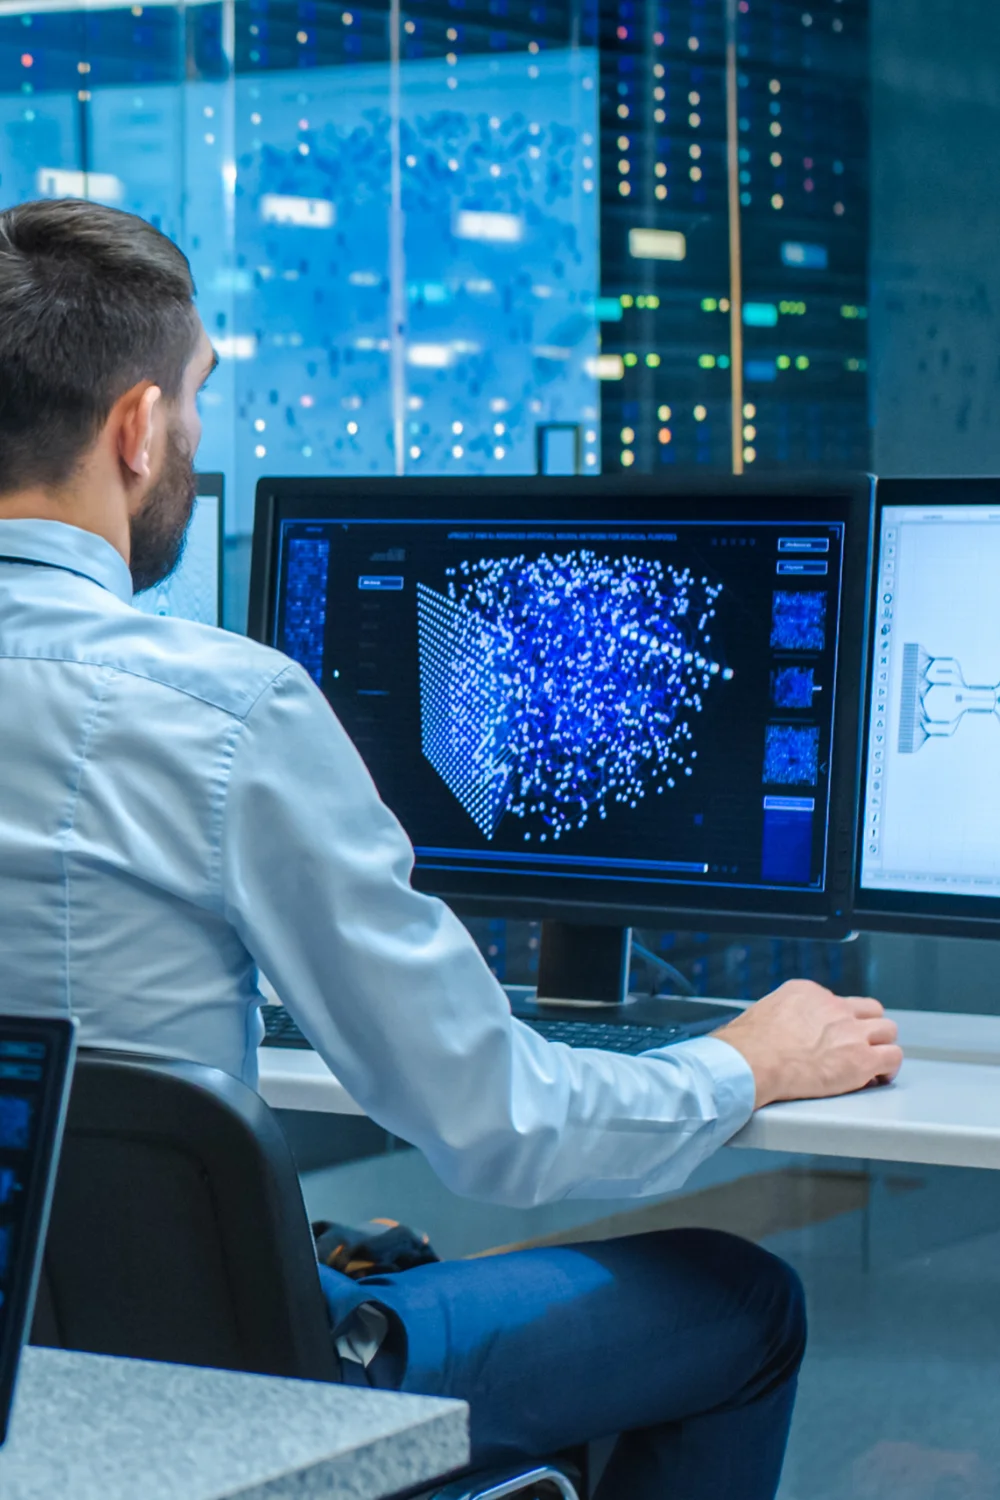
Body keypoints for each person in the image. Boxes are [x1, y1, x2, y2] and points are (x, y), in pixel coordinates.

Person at [0, 198, 901, 1499]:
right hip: (228, 1395)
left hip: (43, 1387)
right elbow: (499, 1130)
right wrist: (742, 1063)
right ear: (138, 429)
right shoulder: (218, 713)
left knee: (393, 1248)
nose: (194, 438)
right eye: (195, 403)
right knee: (736, 1297)